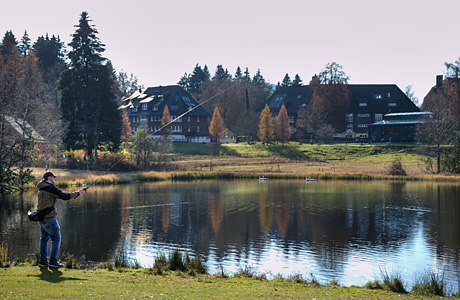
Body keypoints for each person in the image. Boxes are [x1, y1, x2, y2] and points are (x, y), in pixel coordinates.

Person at [36, 171, 86, 268]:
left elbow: (63, 196)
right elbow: (64, 196)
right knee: (56, 238)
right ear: (50, 178)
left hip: (42, 217)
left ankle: (43, 261)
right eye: (54, 177)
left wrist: (76, 194)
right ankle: (53, 262)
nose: (55, 179)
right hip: (49, 218)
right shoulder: (50, 188)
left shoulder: (42, 187)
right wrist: (78, 193)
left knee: (44, 239)